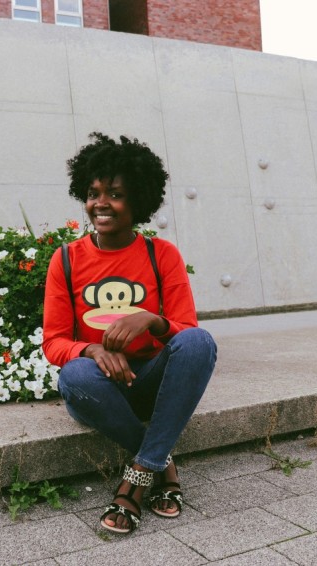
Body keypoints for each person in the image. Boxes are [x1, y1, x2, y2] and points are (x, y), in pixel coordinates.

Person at [42, 132, 218, 534]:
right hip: (102, 388)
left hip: (152, 380)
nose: (101, 204)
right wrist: (91, 351)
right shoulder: (66, 260)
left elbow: (186, 331)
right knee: (73, 375)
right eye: (93, 193)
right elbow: (53, 343)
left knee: (199, 342)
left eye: (116, 194)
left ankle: (138, 475)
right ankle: (161, 459)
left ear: (138, 200)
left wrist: (151, 321)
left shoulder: (163, 255)